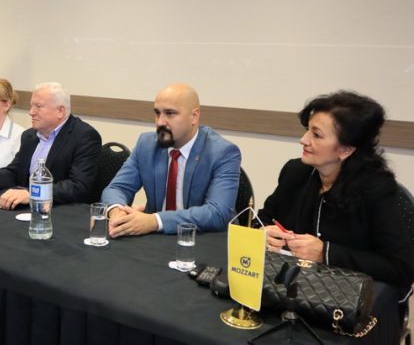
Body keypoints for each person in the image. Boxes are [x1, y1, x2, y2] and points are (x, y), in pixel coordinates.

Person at [259, 91, 414, 289]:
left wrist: (326, 253)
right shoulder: (296, 172)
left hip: (346, 296)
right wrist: (263, 233)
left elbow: (401, 267)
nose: (303, 140)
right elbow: (263, 218)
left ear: (346, 149)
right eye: (307, 130)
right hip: (290, 287)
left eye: (316, 135)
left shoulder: (376, 189)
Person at [101, 83, 241, 237]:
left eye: (170, 113)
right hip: (156, 240)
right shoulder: (146, 144)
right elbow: (116, 188)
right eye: (157, 113)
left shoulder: (223, 152)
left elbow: (217, 213)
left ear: (194, 116)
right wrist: (117, 211)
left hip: (204, 240)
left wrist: (155, 220)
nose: (160, 122)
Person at [0, 82, 102, 208]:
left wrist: (34, 194)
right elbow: (15, 171)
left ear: (60, 111)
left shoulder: (85, 136)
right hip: (26, 209)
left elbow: (78, 186)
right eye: (31, 106)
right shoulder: (30, 136)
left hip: (61, 211)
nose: (31, 112)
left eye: (38, 106)